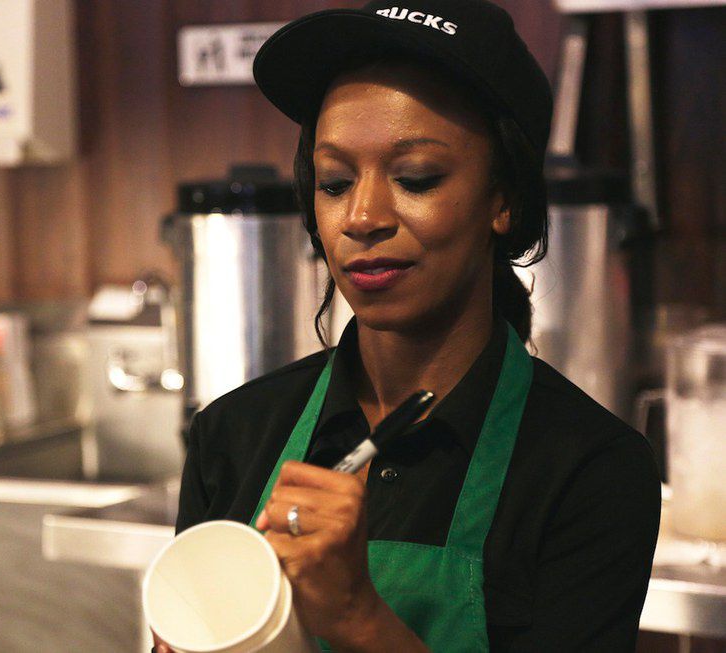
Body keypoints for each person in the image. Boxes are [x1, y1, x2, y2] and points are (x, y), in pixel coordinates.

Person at [160, 1, 661, 651]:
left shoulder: (590, 470)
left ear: (504, 198)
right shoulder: (232, 436)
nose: (362, 217)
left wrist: (357, 616)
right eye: (335, 182)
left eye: (416, 178)